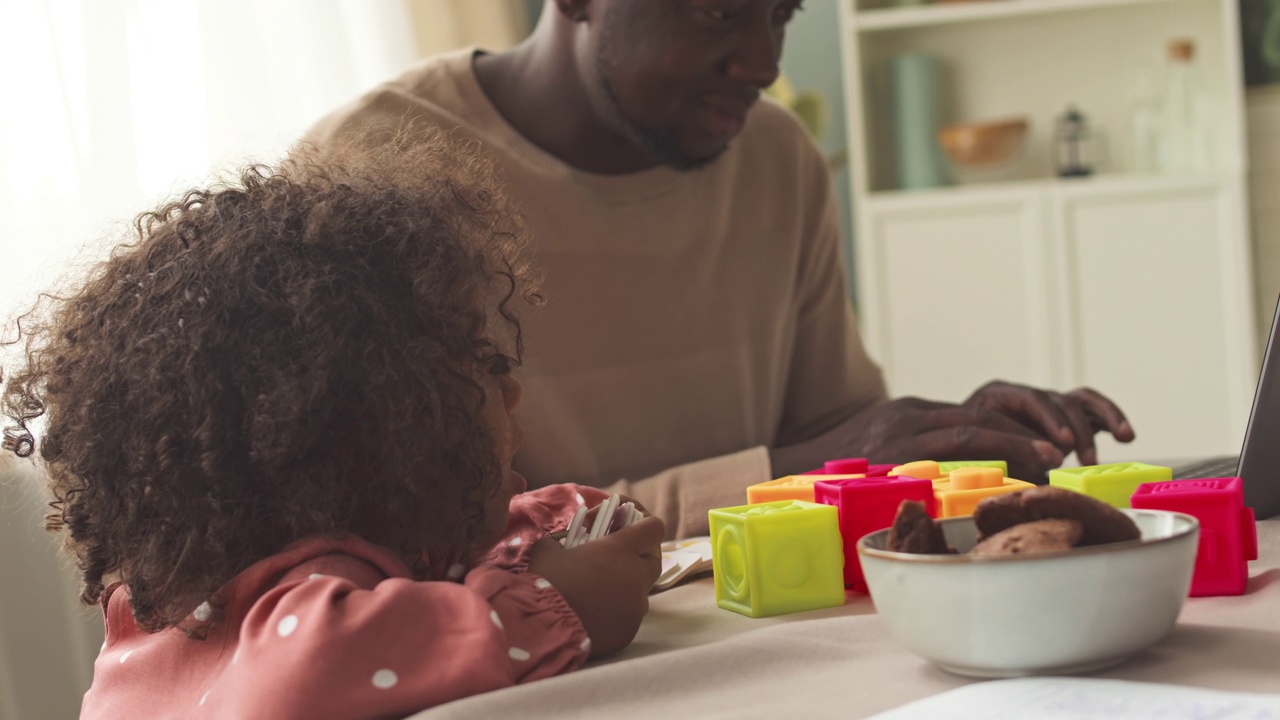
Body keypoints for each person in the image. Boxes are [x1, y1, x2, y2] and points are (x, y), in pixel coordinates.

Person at [305, 0, 1135, 539]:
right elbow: (422, 534)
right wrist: (784, 477)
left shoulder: (777, 156)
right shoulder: (375, 171)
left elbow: (836, 425)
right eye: (719, 12)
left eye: (782, 14)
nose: (763, 61)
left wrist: (947, 447)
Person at [0, 132, 663, 719]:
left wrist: (575, 535)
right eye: (483, 364)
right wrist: (548, 608)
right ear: (378, 426)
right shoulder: (296, 611)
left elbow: (471, 557)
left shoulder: (363, 560)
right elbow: (310, 674)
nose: (512, 391)